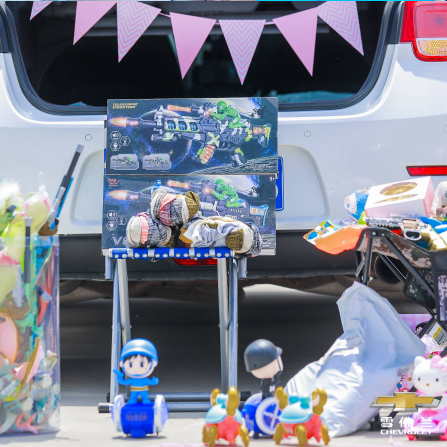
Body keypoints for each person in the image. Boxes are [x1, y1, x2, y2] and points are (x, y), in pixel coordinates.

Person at [113, 338, 159, 405]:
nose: (136, 369)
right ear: (122, 364)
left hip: (143, 390)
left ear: (154, 363)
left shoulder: (142, 380)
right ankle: (133, 400)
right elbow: (123, 382)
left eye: (142, 364)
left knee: (145, 397)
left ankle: (145, 400)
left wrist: (154, 381)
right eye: (130, 365)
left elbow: (150, 382)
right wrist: (119, 377)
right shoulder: (134, 380)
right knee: (133, 397)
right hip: (134, 391)